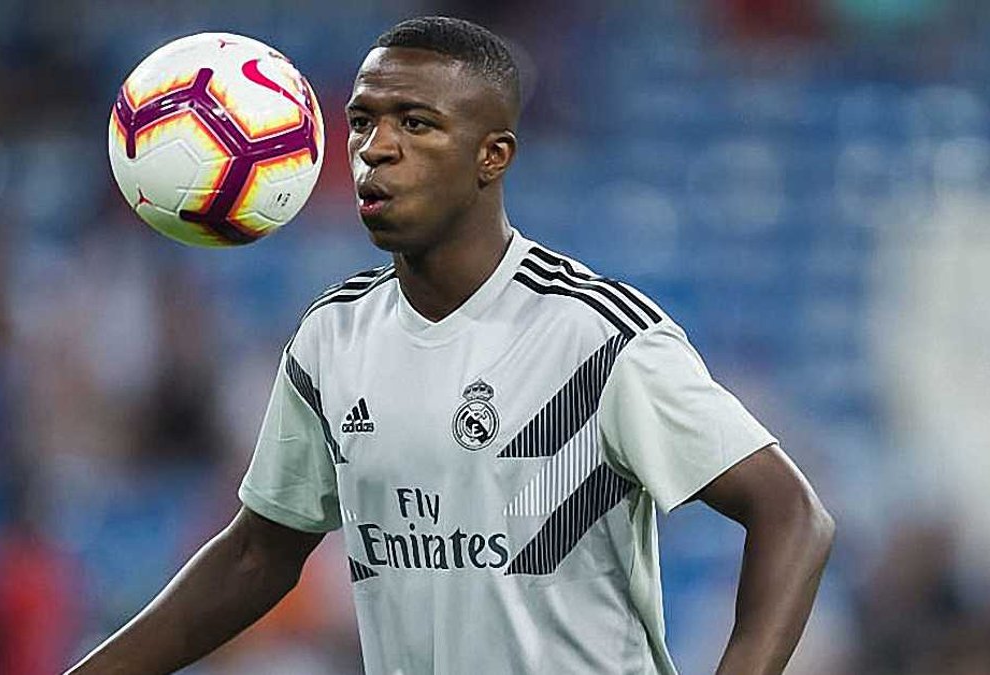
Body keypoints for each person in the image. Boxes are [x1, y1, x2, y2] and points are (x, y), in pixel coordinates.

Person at [66, 16, 835, 675]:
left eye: (416, 123)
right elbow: (257, 554)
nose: (376, 148)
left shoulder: (598, 335)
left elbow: (793, 515)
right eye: (363, 122)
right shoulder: (332, 336)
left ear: (491, 156)